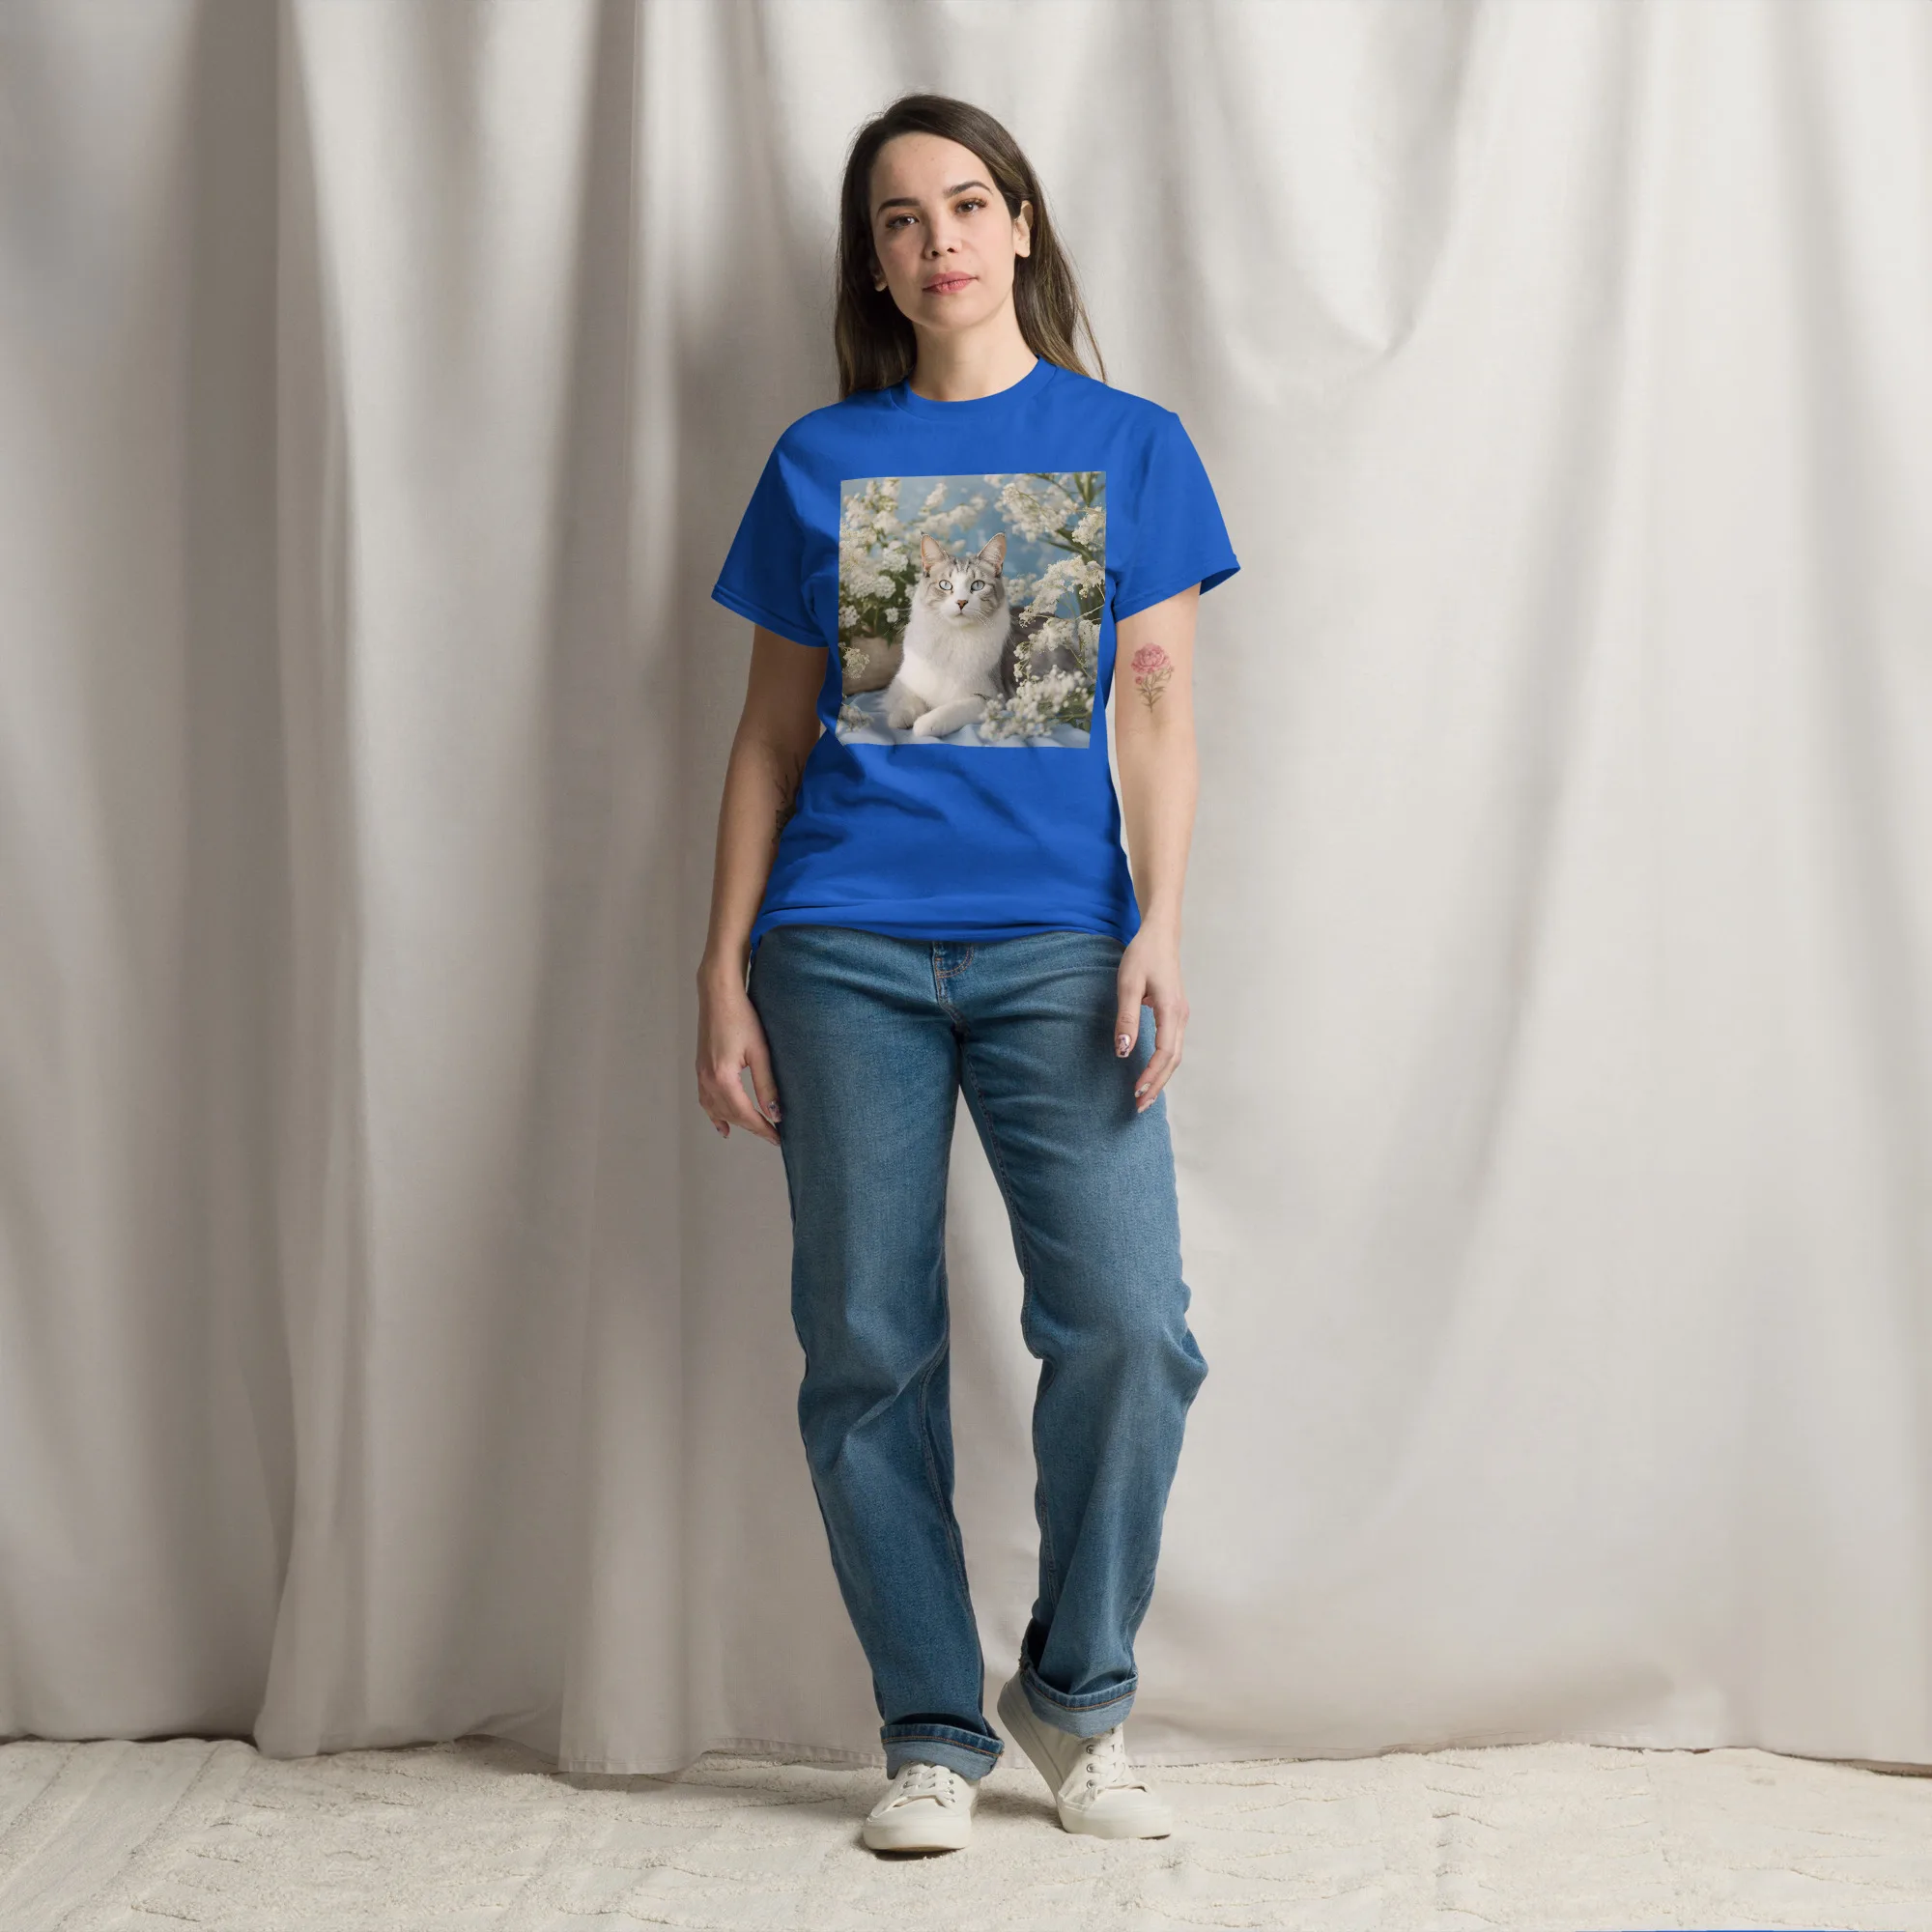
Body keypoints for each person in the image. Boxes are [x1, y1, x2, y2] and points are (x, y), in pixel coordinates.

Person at [695, 92, 1239, 1857]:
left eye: (968, 204)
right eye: (900, 219)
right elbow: (769, 742)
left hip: (1061, 948)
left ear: (1021, 226)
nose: (939, 240)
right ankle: (931, 1725)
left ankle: (1074, 1696)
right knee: (865, 1345)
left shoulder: (1129, 447)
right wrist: (721, 970)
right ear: (876, 264)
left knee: (1131, 1332)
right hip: (838, 948)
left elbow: (1158, 716)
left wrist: (1161, 922)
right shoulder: (821, 460)